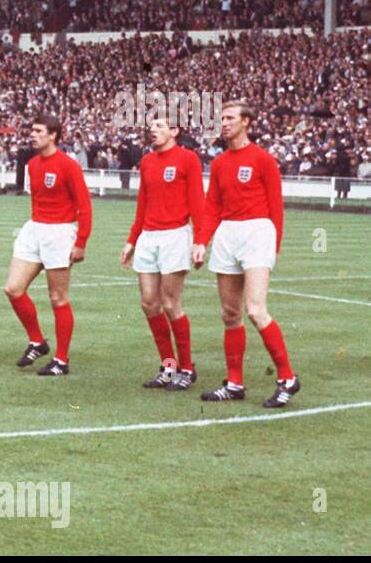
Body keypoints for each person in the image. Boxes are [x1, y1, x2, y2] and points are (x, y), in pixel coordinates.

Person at [195, 101, 300, 407]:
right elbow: (212, 204)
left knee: (255, 309)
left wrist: (275, 247)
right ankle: (234, 383)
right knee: (230, 314)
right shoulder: (219, 163)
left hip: (257, 232)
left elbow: (276, 207)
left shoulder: (263, 160)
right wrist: (202, 240)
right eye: (221, 118)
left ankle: (287, 378)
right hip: (228, 233)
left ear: (246, 122)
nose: (224, 123)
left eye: (229, 118)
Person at [4, 114, 92, 376]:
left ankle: (61, 360)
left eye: (38, 130)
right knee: (13, 288)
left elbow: (84, 206)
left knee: (57, 298)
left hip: (60, 233)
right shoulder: (31, 164)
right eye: (32, 130)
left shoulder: (68, 165)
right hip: (34, 229)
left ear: (52, 135)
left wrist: (81, 242)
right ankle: (37, 341)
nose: (32, 134)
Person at [119, 118, 204, 390]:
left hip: (175, 236)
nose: (153, 130)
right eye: (151, 126)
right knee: (148, 303)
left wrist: (200, 240)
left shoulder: (188, 159)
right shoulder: (147, 162)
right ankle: (168, 367)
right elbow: (142, 202)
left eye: (160, 126)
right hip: (148, 236)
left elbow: (197, 202)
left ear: (174, 131)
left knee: (170, 304)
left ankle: (187, 369)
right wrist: (132, 239)